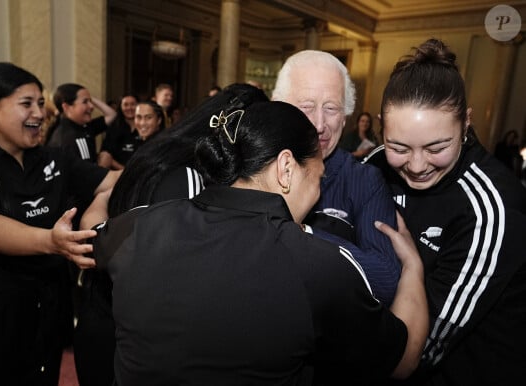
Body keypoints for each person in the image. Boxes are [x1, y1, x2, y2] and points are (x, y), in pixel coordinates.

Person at [90, 101, 428, 386]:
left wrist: (99, 201)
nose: (318, 192)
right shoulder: (315, 266)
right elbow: (404, 359)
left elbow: (94, 239)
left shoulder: (136, 225)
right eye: (318, 177)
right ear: (286, 168)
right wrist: (412, 268)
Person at [73, 83, 269, 386]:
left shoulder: (157, 154)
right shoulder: (189, 176)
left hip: (102, 315)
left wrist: (100, 203)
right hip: (130, 334)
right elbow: (173, 273)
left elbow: (101, 234)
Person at [0, 62, 120, 386]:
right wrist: (51, 241)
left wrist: (173, 157)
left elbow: (113, 181)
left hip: (46, 317)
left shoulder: (53, 158)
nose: (39, 113)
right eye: (26, 103)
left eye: (41, 103)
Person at [365, 38, 526, 385]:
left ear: (465, 123)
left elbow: (423, 347)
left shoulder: (491, 209)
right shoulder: (374, 163)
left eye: (437, 147)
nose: (417, 165)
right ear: (382, 126)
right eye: (399, 146)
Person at [272, 50, 401, 305]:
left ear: (345, 116)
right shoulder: (256, 166)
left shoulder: (363, 180)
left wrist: (302, 233)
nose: (319, 124)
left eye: (331, 108)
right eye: (306, 107)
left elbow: (385, 280)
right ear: (280, 107)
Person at [46, 82, 117, 163]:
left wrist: (87, 96)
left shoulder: (83, 126)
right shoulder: (71, 137)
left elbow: (112, 115)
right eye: (85, 102)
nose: (91, 106)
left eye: (90, 101)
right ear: (66, 107)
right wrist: (103, 165)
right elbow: (85, 174)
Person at [98, 94, 138, 170]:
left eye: (133, 104)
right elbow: (106, 155)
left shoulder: (145, 128)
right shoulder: (114, 128)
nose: (129, 108)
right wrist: (124, 171)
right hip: (117, 173)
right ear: (120, 107)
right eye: (126, 105)